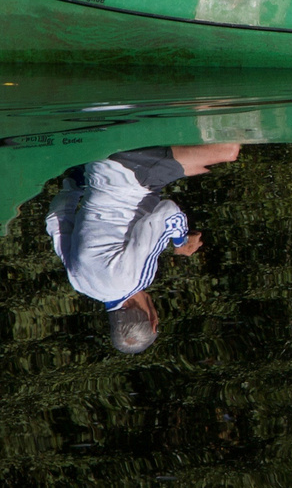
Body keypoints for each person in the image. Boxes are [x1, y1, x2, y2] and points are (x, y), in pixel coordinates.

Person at [45, 143, 240, 353]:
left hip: (134, 172)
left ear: (153, 319)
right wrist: (74, 183)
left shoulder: (135, 281)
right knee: (197, 167)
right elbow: (55, 221)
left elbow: (167, 212)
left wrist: (181, 242)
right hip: (96, 170)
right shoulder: (80, 284)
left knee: (228, 152)